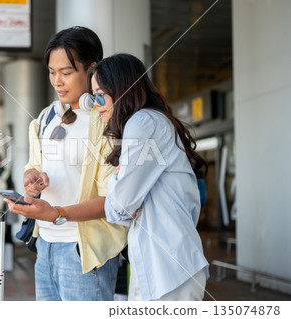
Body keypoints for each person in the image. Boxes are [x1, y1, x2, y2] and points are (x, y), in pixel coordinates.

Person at [5, 26, 128, 301]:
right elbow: (32, 164)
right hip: (45, 245)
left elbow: (113, 200)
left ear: (93, 70)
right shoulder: (46, 117)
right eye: (52, 72)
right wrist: (32, 177)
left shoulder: (109, 120)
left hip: (83, 251)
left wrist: (56, 213)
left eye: (67, 72)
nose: (57, 82)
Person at [88, 53, 209, 300]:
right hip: (163, 268)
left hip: (170, 270)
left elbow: (119, 208)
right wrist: (121, 179)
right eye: (93, 96)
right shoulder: (150, 121)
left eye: (100, 95)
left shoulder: (143, 122)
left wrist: (117, 180)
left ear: (121, 90)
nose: (96, 104)